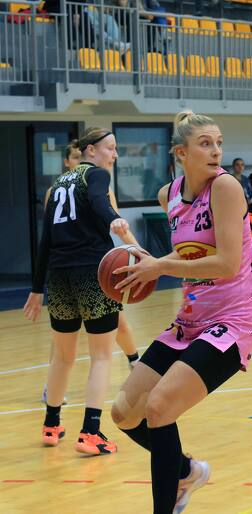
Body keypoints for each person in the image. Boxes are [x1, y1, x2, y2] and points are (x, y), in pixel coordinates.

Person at [108, 111, 252, 514]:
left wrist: (161, 266)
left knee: (159, 408)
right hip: (189, 320)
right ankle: (186, 472)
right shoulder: (169, 195)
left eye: (219, 143)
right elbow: (185, 254)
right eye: (205, 144)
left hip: (231, 321)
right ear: (181, 153)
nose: (216, 151)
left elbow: (227, 263)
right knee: (124, 414)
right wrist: (149, 263)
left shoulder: (226, 187)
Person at [24, 127, 136, 456]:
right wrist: (115, 219)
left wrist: (37, 288)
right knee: (101, 355)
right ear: (91, 150)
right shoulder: (96, 175)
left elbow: (45, 241)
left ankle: (51, 424)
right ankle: (90, 433)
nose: (114, 155)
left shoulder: (59, 183)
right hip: (92, 272)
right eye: (110, 148)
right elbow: (101, 203)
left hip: (58, 276)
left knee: (62, 356)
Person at [40, 142, 141, 405]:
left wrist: (140, 252)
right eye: (74, 157)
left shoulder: (100, 186)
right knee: (62, 337)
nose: (78, 161)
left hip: (94, 269)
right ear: (67, 162)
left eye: (80, 156)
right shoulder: (55, 191)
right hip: (67, 269)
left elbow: (116, 223)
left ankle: (134, 361)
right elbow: (50, 235)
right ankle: (52, 389)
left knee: (119, 324)